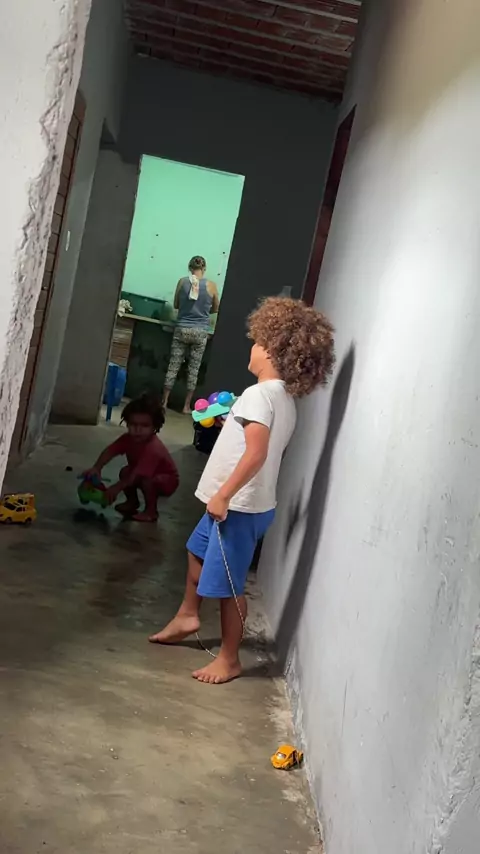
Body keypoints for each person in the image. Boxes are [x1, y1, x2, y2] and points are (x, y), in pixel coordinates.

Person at [149, 297, 335, 683]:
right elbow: (261, 445)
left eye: (257, 341)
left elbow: (256, 453)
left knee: (229, 586)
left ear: (272, 350)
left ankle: (229, 658)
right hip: (247, 504)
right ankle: (187, 614)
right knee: (196, 551)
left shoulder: (258, 395)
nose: (252, 347)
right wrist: (231, 425)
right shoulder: (281, 398)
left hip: (237, 507)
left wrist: (224, 495)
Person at [84, 394, 179, 522]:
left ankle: (151, 511)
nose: (138, 430)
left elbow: (138, 474)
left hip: (167, 481)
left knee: (145, 480)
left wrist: (116, 488)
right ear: (127, 423)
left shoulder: (153, 448)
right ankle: (132, 502)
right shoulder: (127, 439)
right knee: (125, 472)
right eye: (133, 424)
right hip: (141, 473)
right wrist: (97, 467)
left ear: (154, 427)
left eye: (144, 426)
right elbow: (110, 451)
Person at [163, 256, 220, 414]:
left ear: (190, 268)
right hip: (200, 331)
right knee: (193, 370)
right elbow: (216, 308)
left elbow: (176, 305)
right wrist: (203, 310)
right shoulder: (211, 286)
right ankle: (186, 406)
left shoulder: (182, 282)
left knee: (173, 366)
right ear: (204, 268)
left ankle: (164, 402)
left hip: (182, 328)